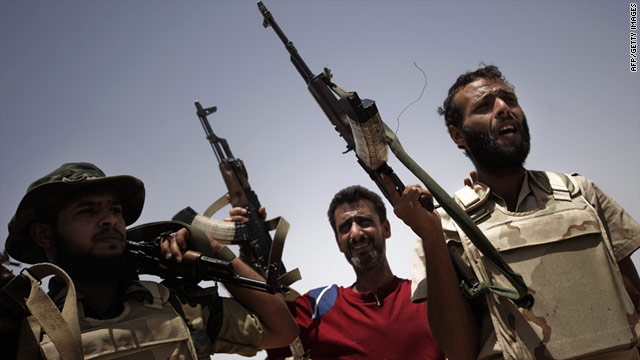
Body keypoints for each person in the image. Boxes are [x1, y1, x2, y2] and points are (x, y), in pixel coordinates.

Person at [389, 65, 640, 359]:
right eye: (484, 105)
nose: (503, 109)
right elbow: (459, 351)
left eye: (510, 99)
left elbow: (633, 300)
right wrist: (431, 237)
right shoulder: (444, 224)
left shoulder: (579, 193)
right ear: (458, 135)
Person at [1, 162, 298, 359]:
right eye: (87, 211)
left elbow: (281, 329)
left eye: (114, 210)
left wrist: (212, 246)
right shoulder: (24, 330)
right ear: (43, 233)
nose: (110, 220)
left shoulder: (179, 305)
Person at [229, 185, 445, 360]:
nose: (356, 233)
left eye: (364, 222)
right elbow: (266, 317)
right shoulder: (315, 308)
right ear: (338, 242)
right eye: (345, 227)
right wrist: (249, 253)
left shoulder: (426, 295)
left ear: (386, 228)